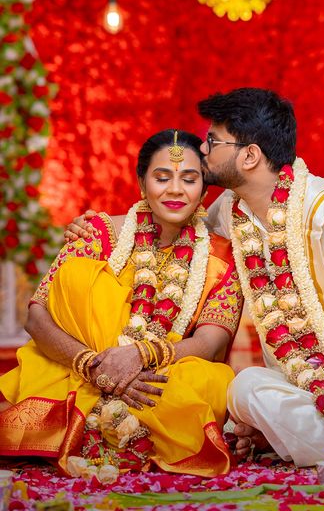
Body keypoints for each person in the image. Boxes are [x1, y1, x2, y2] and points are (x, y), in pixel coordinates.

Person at [65, 89, 324, 476]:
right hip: (297, 383)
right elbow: (175, 225)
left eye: (213, 141)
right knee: (245, 388)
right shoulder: (231, 210)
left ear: (250, 156)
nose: (202, 150)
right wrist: (102, 226)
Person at [0, 129, 243, 481]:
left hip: (158, 376)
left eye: (189, 179)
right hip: (78, 364)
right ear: (142, 184)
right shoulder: (97, 232)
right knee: (77, 280)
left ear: (204, 191)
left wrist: (140, 356)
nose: (175, 189)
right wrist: (93, 365)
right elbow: (37, 317)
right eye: (162, 177)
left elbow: (211, 342)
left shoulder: (221, 256)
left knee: (209, 381)